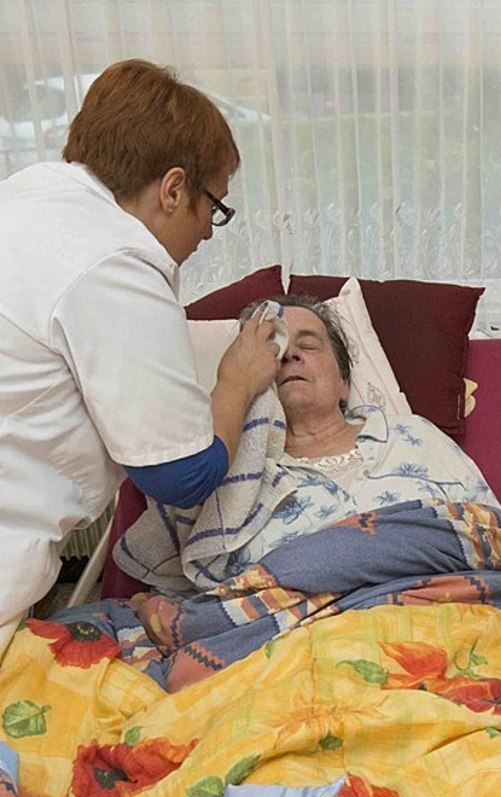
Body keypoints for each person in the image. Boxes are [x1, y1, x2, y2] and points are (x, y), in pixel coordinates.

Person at [0, 58, 280, 651]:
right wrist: (235, 381)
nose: (207, 231)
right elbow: (181, 475)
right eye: (214, 206)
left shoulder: (29, 199)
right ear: (174, 189)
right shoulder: (115, 264)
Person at [222, 295, 499, 570]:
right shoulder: (235, 475)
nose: (289, 354)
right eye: (273, 349)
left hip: (451, 605)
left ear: (344, 382)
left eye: (308, 345)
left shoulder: (414, 435)